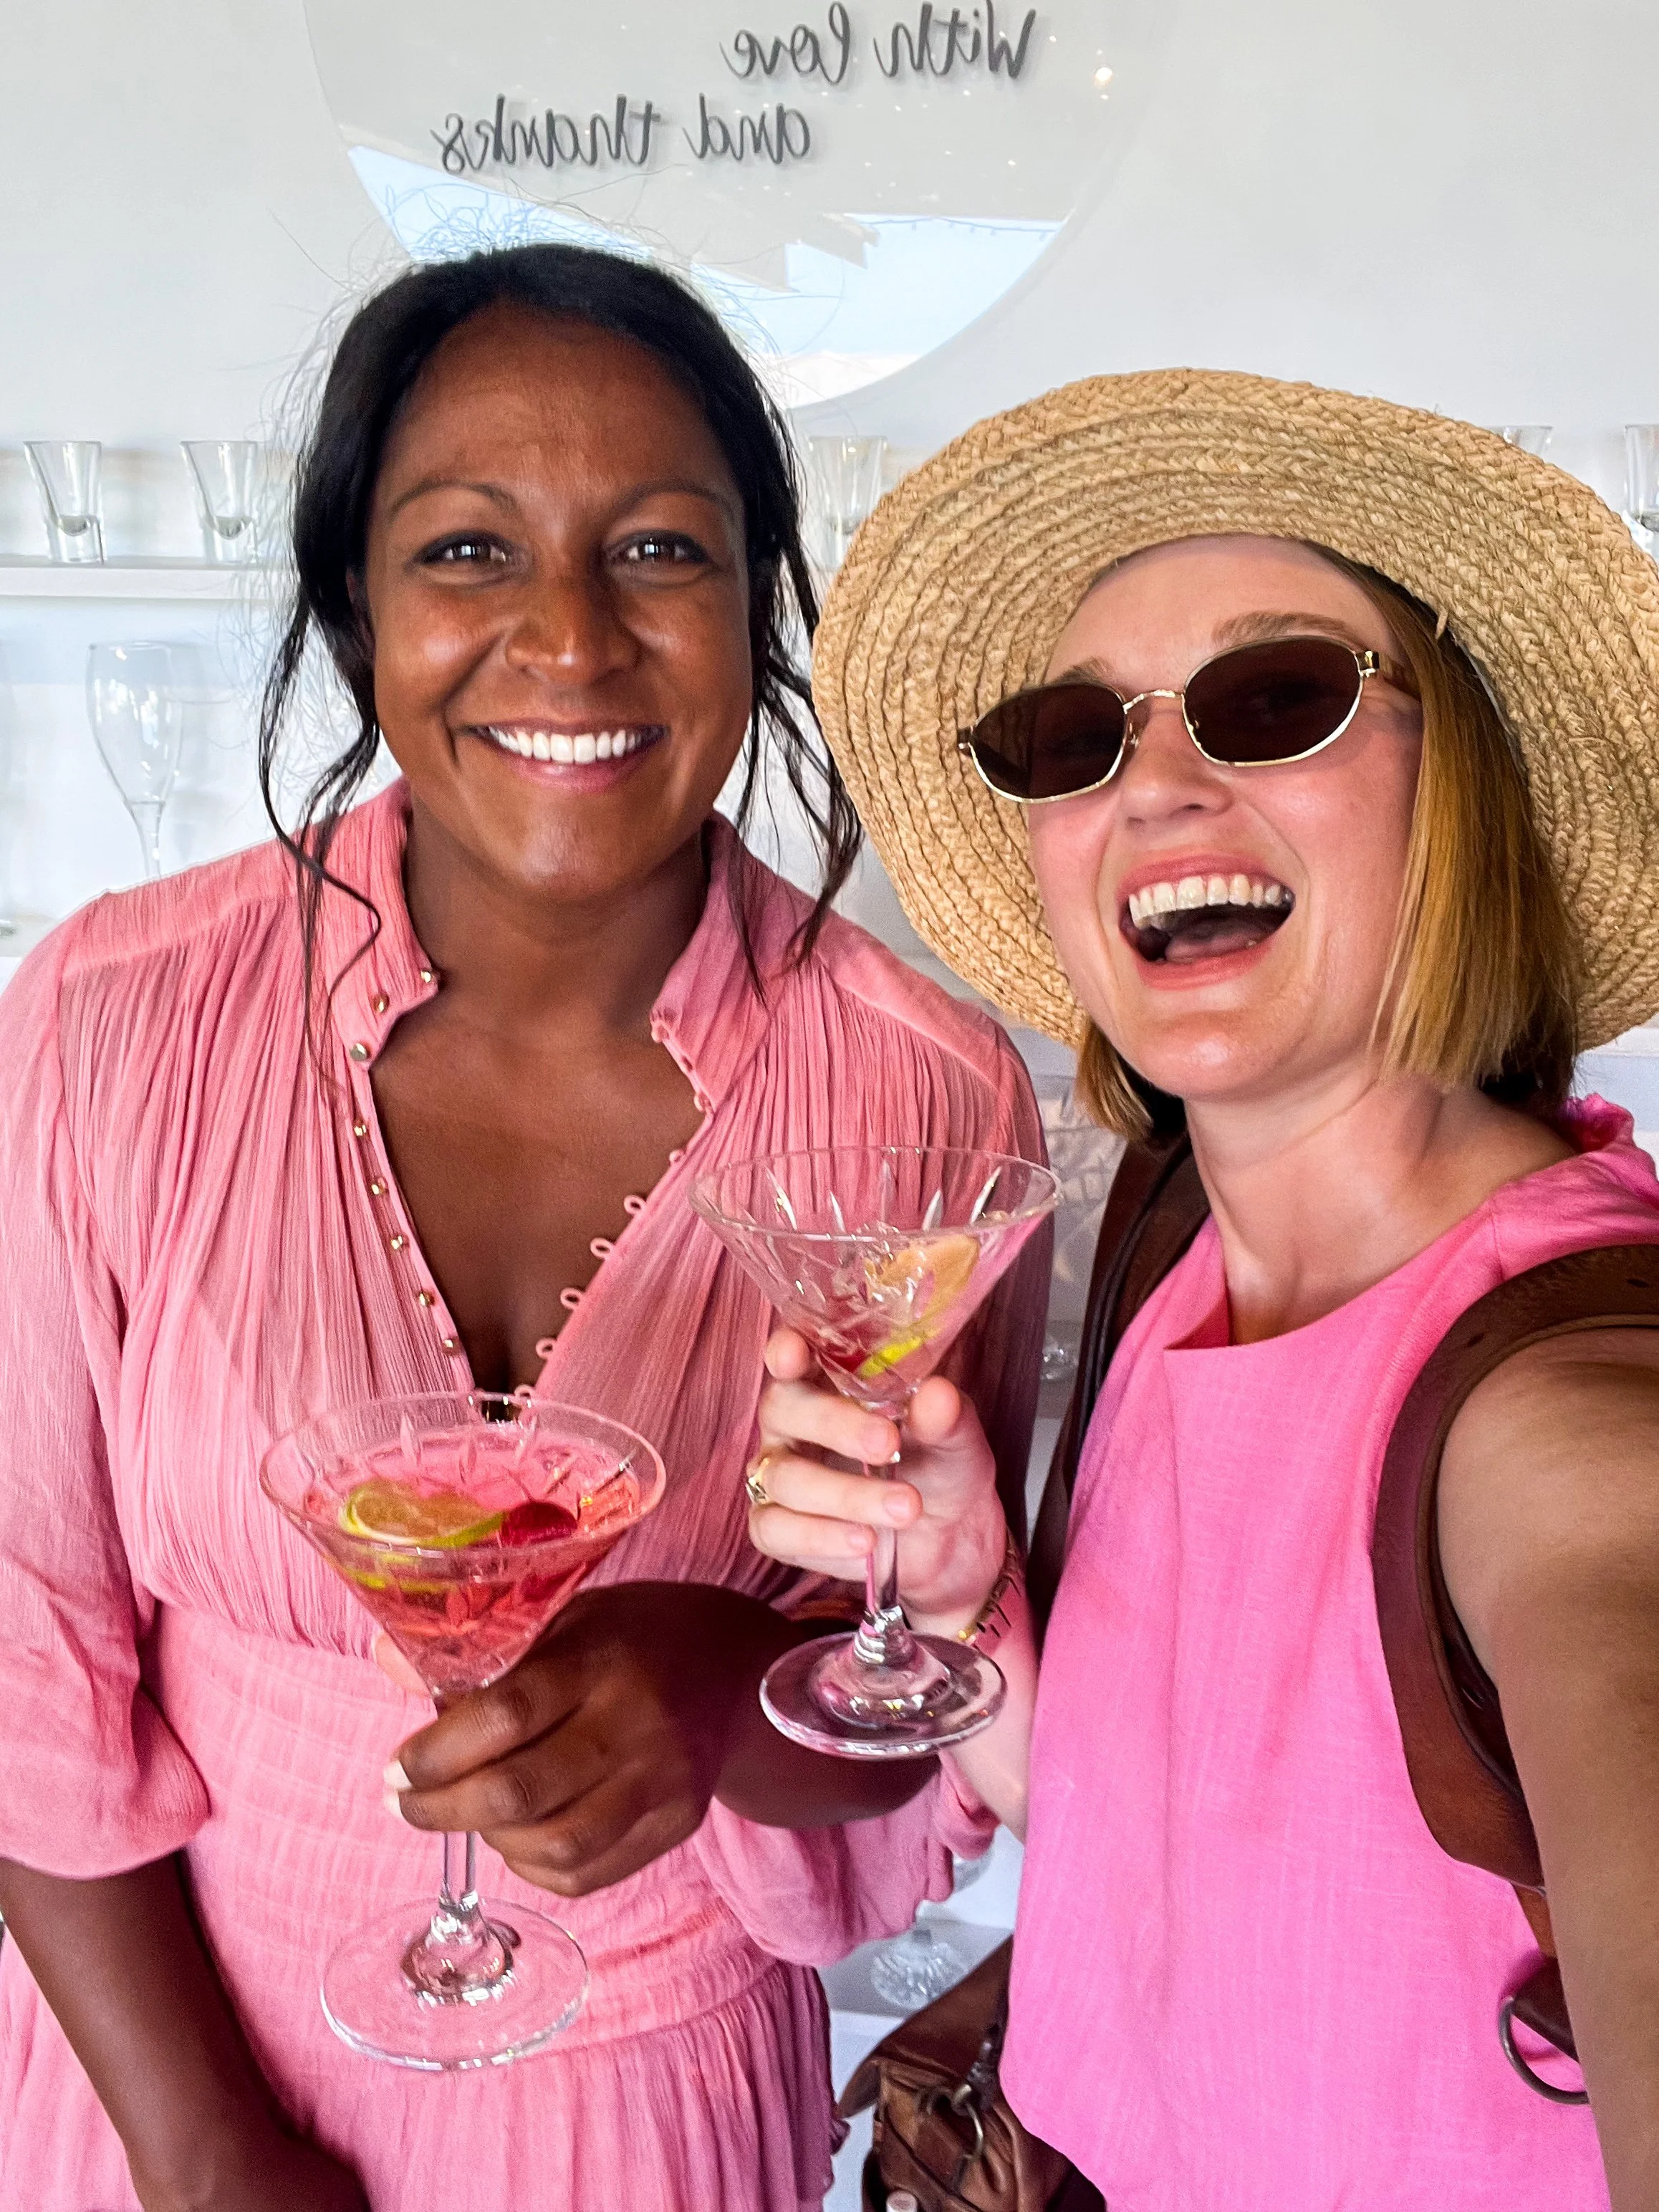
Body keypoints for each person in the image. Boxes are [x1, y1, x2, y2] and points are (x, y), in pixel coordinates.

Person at [0, 244, 1047, 2212]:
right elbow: (19, 1652)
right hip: (157, 2082)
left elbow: (915, 1731)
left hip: (645, 2117)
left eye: (659, 551)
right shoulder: (111, 1020)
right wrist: (205, 2156)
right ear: (356, 608)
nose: (568, 638)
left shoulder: (930, 1099)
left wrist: (716, 1685)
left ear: (758, 603)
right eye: (468, 550)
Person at [751, 368, 1659, 2208]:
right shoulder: (1173, 1240)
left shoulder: (1564, 1409)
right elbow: (1135, 1822)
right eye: (1071, 734)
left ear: (1463, 791)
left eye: (1275, 698)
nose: (1157, 782)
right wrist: (965, 1595)